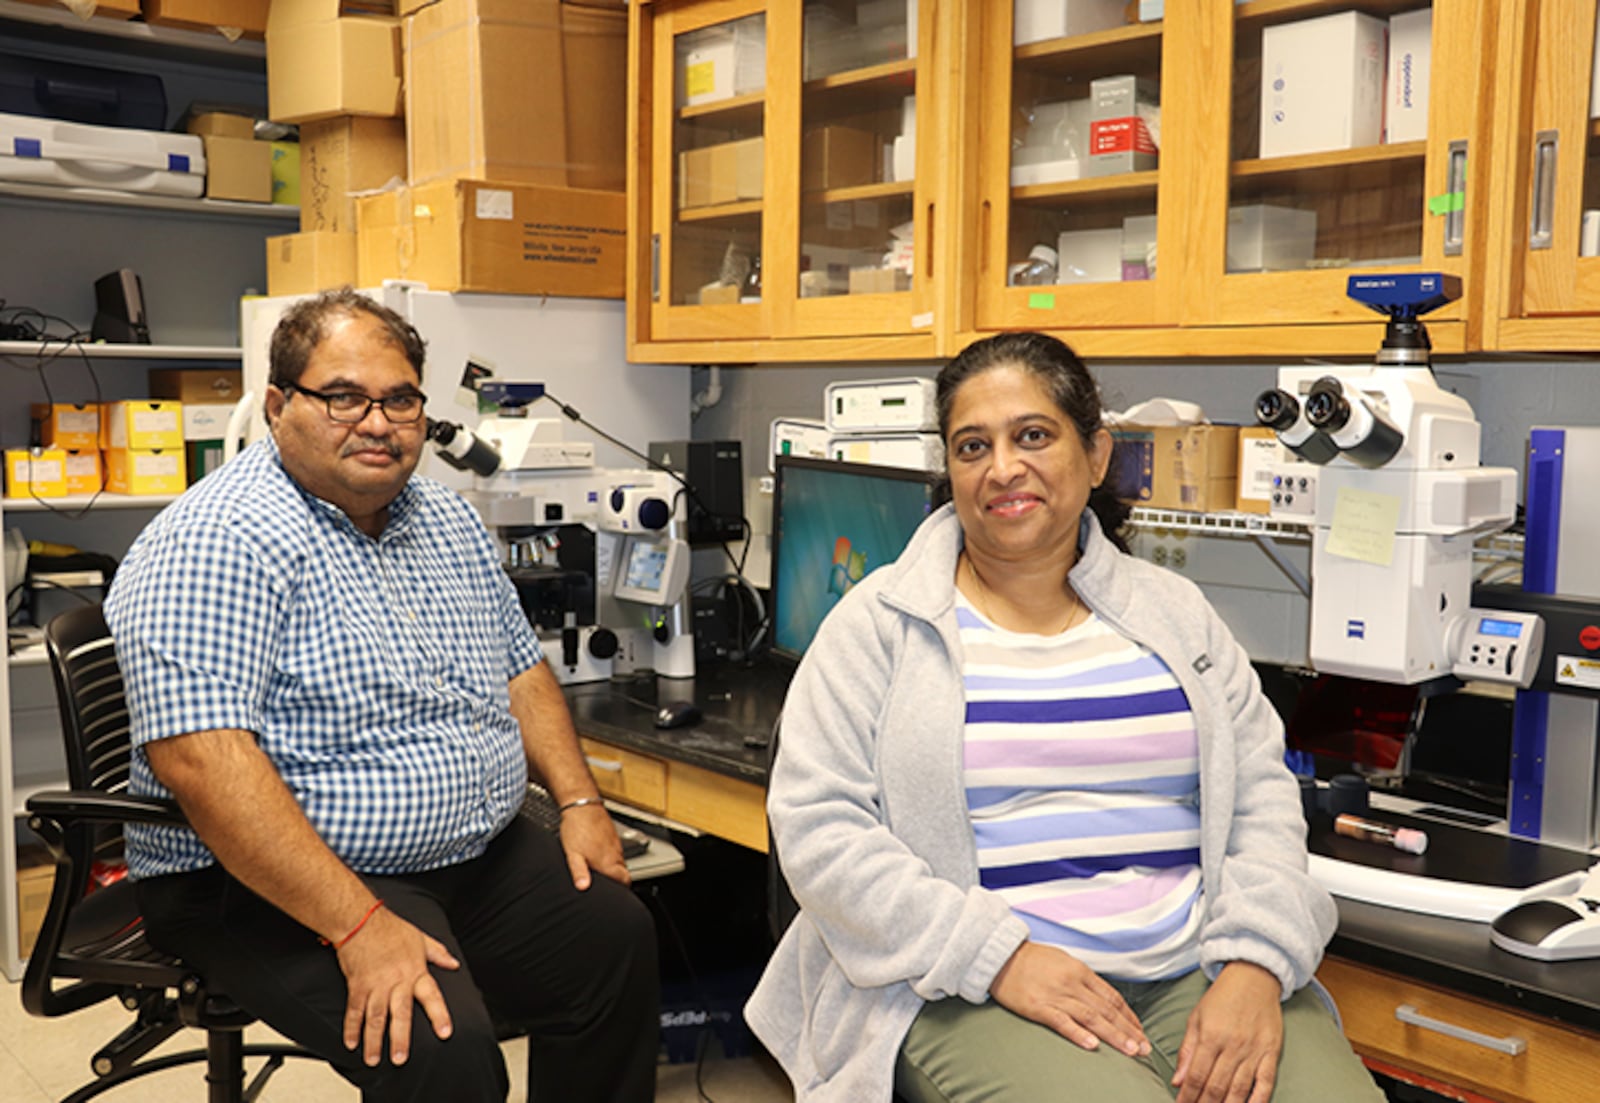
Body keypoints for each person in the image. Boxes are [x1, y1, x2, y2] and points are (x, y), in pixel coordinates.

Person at [746, 332, 1383, 1103]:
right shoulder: (878, 624)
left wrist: (1255, 960)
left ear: (1097, 454)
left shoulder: (1176, 613)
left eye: (1034, 435)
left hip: (1197, 964)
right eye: (972, 445)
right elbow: (821, 829)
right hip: (966, 983)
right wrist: (999, 956)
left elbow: (1259, 794)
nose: (1002, 467)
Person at [104, 288, 658, 1103]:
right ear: (277, 405)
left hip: (471, 855)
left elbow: (521, 669)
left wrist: (578, 801)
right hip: (259, 875)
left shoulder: (443, 518)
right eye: (343, 396)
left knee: (615, 943)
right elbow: (202, 761)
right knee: (442, 1042)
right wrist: (358, 925)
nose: (376, 421)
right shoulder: (217, 538)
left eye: (399, 399)